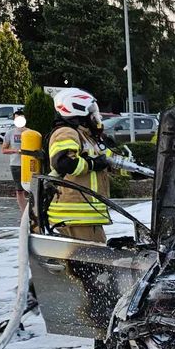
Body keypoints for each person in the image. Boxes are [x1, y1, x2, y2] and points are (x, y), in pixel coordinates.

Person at [47, 88, 112, 242]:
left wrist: (135, 170)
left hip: (85, 217)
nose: (95, 116)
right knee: (91, 262)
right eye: (91, 111)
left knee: (91, 261)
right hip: (74, 216)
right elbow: (63, 163)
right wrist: (92, 164)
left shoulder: (86, 137)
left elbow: (109, 162)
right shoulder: (66, 133)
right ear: (77, 110)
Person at [1, 110, 28, 213]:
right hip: (16, 165)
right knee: (20, 191)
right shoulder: (10, 133)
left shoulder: (31, 133)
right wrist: (16, 151)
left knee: (31, 190)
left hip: (29, 164)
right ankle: (24, 213)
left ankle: (32, 213)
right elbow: (3, 150)